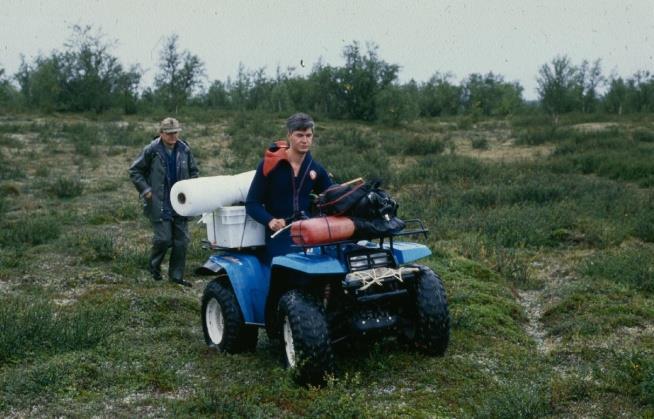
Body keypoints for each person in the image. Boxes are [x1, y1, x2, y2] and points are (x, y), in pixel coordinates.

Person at [246, 113, 332, 258]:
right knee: (292, 273)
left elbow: (332, 196)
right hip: (279, 235)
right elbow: (251, 203)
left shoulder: (315, 168)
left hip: (308, 232)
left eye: (309, 135)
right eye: (300, 135)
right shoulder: (270, 165)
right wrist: (270, 221)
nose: (305, 140)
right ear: (289, 135)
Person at [129, 117, 199, 287]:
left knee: (181, 241)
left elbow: (194, 172)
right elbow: (135, 170)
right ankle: (153, 269)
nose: (173, 136)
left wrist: (194, 191)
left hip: (181, 202)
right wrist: (146, 191)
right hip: (159, 202)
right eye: (169, 133)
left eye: (176, 132)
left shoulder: (185, 149)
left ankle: (176, 277)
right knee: (163, 239)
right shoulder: (151, 149)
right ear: (161, 133)